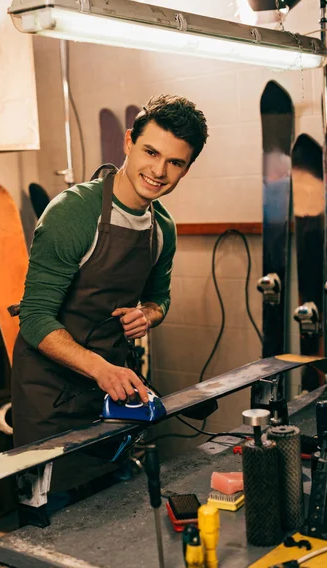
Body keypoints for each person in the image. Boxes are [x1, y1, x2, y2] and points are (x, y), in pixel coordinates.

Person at [11, 94, 208, 491]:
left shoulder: (161, 229)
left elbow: (159, 298)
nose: (158, 170)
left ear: (187, 169)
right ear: (129, 142)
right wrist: (101, 369)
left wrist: (149, 314)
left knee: (112, 511)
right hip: (49, 397)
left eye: (175, 162)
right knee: (54, 521)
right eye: (151, 151)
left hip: (113, 389)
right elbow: (34, 317)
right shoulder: (73, 213)